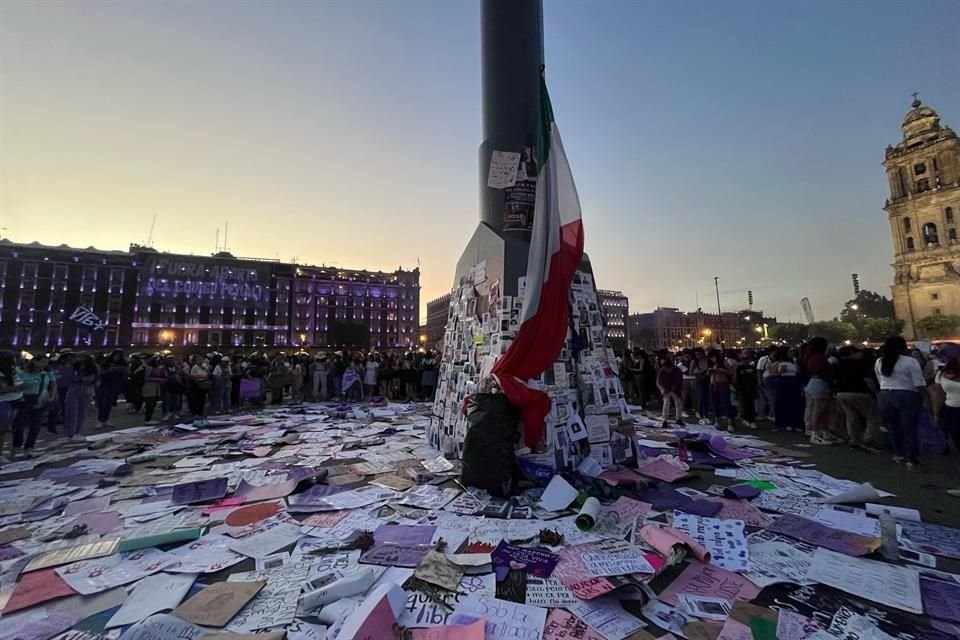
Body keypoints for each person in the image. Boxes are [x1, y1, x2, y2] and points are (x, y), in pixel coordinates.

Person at [875, 336, 925, 469]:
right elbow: (918, 382)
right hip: (906, 394)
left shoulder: (880, 361)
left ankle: (899, 454)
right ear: (903, 347)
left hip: (885, 395)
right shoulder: (910, 361)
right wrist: (925, 398)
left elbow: (879, 380)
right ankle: (912, 457)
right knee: (910, 428)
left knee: (893, 427)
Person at [834, 346, 883, 451]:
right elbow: (868, 380)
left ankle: (854, 439)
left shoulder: (837, 364)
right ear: (852, 353)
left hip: (841, 393)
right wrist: (875, 391)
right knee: (872, 416)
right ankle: (869, 438)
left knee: (851, 416)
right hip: (860, 392)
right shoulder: (860, 363)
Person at [12, 356, 56, 458]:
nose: (44, 364)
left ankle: (29, 447)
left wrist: (52, 396)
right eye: (42, 362)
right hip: (25, 399)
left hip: (41, 399)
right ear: (35, 362)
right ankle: (16, 445)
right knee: (19, 424)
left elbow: (53, 384)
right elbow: (16, 384)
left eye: (46, 362)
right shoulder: (22, 372)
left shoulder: (47, 373)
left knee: (35, 425)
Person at [802, 337, 840, 445]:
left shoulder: (811, 357)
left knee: (822, 410)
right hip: (820, 383)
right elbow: (823, 372)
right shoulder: (819, 358)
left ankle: (824, 432)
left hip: (815, 382)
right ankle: (815, 434)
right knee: (819, 410)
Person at [937, 357, 960, 496]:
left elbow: (937, 394)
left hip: (950, 409)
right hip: (951, 411)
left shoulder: (942, 374)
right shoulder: (942, 374)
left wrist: (935, 412)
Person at [769, 346, 804, 433]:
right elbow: (772, 374)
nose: (791, 353)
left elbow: (798, 372)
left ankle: (794, 423)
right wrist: (780, 372)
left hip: (794, 382)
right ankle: (783, 423)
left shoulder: (794, 362)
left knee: (795, 403)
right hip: (783, 383)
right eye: (789, 352)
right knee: (783, 402)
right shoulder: (778, 363)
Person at [64, 355, 98, 442]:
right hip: (77, 389)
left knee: (81, 412)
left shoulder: (92, 368)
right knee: (73, 412)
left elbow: (94, 379)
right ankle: (72, 433)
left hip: (84, 389)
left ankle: (76, 432)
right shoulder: (73, 367)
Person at [0, 351, 24, 463]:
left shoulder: (13, 371)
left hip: (14, 400)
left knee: (5, 429)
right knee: (1, 429)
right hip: (3, 401)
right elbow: (3, 389)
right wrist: (17, 387)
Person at [96, 349, 128, 429]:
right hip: (104, 384)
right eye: (116, 355)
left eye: (119, 356)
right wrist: (109, 371)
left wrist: (121, 370)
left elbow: (126, 373)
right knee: (102, 402)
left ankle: (105, 419)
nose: (117, 357)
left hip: (115, 384)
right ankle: (100, 420)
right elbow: (100, 372)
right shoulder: (105, 363)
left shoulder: (123, 364)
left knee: (109, 403)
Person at [708, 350, 735, 432]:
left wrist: (722, 370)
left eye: (713, 357)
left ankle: (730, 423)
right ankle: (717, 421)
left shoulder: (724, 362)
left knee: (726, 403)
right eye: (711, 358)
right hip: (713, 384)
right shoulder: (712, 364)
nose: (712, 359)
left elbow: (731, 372)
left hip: (723, 384)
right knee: (715, 403)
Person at [656, 353, 684, 426]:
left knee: (678, 403)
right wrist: (662, 389)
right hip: (666, 389)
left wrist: (675, 387)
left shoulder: (676, 370)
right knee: (666, 403)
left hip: (675, 389)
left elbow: (679, 380)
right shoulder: (662, 370)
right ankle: (665, 420)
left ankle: (678, 419)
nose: (667, 370)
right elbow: (658, 382)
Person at [734, 349, 759, 429]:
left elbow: (755, 377)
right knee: (745, 404)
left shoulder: (752, 367)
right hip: (743, 388)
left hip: (751, 387)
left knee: (750, 404)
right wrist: (738, 388)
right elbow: (737, 378)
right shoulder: (739, 367)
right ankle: (748, 419)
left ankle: (750, 419)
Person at [188, 355, 211, 422]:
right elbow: (192, 376)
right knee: (196, 400)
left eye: (201, 359)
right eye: (198, 359)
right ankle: (195, 413)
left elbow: (208, 374)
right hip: (196, 385)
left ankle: (200, 413)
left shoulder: (204, 366)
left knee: (202, 399)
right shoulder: (194, 367)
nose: (200, 361)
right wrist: (200, 376)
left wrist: (206, 369)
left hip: (204, 384)